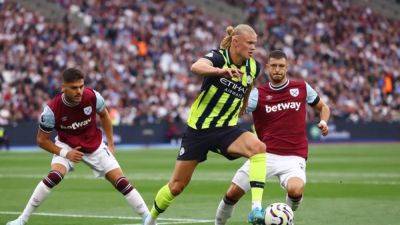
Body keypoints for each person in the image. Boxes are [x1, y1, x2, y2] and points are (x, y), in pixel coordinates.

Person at [144, 24, 267, 225]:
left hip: (226, 129)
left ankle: (256, 209)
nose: (254, 47)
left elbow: (248, 86)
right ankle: (149, 220)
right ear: (236, 42)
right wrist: (221, 72)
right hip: (198, 130)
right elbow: (196, 66)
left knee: (258, 148)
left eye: (255, 43)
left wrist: (244, 104)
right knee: (176, 186)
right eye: (250, 43)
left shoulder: (254, 66)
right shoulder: (219, 57)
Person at [6, 68, 149, 225]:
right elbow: (41, 140)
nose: (79, 91)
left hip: (94, 145)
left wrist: (111, 143)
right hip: (67, 145)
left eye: (81, 86)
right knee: (54, 176)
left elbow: (105, 115)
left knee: (121, 182)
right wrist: (65, 153)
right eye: (74, 88)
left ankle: (148, 219)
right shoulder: (51, 111)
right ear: (63, 87)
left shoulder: (93, 96)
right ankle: (22, 219)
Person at [214, 50, 330, 225]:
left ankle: (287, 218)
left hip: (294, 155)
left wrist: (324, 121)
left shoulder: (301, 87)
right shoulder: (258, 93)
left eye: (281, 66)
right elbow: (239, 111)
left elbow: (323, 107)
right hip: (264, 155)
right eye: (274, 66)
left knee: (296, 189)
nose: (277, 70)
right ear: (267, 68)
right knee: (232, 193)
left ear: (287, 67)